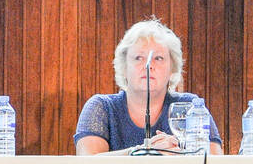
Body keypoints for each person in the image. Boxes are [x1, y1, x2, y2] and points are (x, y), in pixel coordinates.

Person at [74, 19, 222, 155]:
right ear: (124, 68)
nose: (148, 65)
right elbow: (89, 163)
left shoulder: (190, 107)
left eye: (158, 58)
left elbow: (216, 163)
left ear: (172, 69)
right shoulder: (102, 107)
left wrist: (178, 154)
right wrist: (145, 152)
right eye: (139, 58)